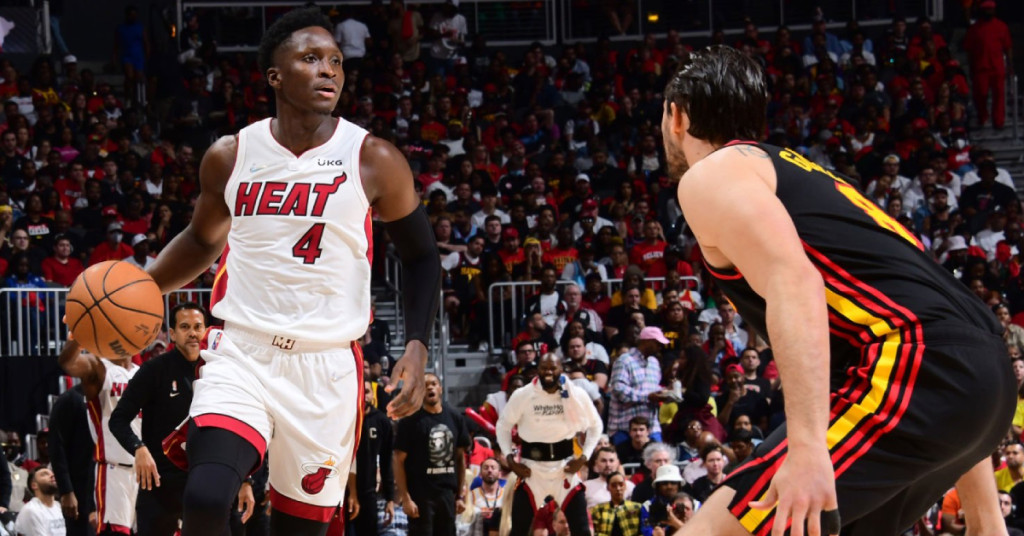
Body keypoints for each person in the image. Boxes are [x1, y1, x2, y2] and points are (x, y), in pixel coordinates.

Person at [663, 46, 1015, 536]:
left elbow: (796, 282)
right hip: (978, 379)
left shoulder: (712, 173)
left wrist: (809, 450)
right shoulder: (809, 177)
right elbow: (939, 315)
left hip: (914, 366)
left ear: (677, 116)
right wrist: (984, 516)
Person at [134, 8, 440, 536]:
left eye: (336, 61)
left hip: (325, 368)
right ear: (274, 75)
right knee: (205, 498)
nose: (329, 70)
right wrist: (141, 287)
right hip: (242, 353)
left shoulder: (373, 158)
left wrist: (417, 344)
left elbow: (421, 257)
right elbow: (203, 240)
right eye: (311, 58)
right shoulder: (231, 155)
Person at [109, 302, 254, 535]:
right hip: (160, 485)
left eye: (198, 327)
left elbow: (240, 425)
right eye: (185, 327)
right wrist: (138, 448)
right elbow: (118, 419)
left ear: (207, 330)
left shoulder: (221, 371)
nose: (193, 333)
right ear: (173, 334)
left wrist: (246, 480)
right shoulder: (154, 370)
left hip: (209, 484)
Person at [497, 353, 603, 536]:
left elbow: (596, 425)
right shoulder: (523, 395)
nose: (548, 372)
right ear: (537, 370)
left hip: (564, 468)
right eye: (544, 368)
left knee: (582, 530)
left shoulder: (575, 393)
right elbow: (503, 427)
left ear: (561, 369)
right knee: (518, 531)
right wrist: (511, 461)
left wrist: (583, 458)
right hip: (532, 469)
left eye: (553, 368)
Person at [57, 338, 140, 535]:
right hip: (114, 470)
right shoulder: (99, 367)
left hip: (145, 470)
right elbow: (68, 363)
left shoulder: (143, 372)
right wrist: (78, 338)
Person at [394, 373, 470, 536]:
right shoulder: (409, 421)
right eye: (425, 385)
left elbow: (460, 459)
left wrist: (460, 496)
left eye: (433, 384)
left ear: (440, 389)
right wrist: (406, 498)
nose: (430, 387)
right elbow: (398, 461)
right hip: (420, 497)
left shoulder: (455, 417)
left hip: (447, 495)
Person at [47, 384, 94, 536]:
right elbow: (56, 447)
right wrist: (66, 491)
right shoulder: (70, 399)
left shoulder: (109, 398)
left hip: (106, 482)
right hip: (80, 488)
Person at [609, 327, 668, 445]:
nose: (659, 347)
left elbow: (653, 388)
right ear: (646, 341)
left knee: (659, 455)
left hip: (651, 426)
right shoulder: (625, 360)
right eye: (657, 343)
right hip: (625, 426)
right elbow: (618, 389)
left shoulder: (654, 363)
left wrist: (665, 393)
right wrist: (647, 397)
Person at [352, 379, 395, 536]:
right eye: (360, 391)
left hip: (369, 491)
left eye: (367, 392)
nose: (364, 395)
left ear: (373, 395)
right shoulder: (345, 419)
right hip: (344, 491)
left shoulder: (382, 421)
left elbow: (386, 462)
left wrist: (390, 498)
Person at [963, 0, 1012, 129]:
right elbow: (969, 50)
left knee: (999, 95)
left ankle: (998, 121)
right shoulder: (974, 29)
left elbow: (1007, 47)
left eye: (990, 9)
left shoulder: (1001, 26)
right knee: (981, 94)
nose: (988, 12)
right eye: (986, 9)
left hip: (997, 67)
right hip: (980, 67)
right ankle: (982, 117)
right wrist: (971, 66)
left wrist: (1010, 65)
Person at [13, 467, 66, 536]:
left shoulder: (58, 506)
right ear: (34, 485)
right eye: (44, 474)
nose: (52, 475)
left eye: (52, 473)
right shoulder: (31, 510)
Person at [589, 472, 642, 536]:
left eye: (621, 484)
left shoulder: (637, 507)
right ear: (608, 488)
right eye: (614, 485)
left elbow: (643, 531)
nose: (618, 488)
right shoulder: (598, 509)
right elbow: (594, 533)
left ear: (625, 486)